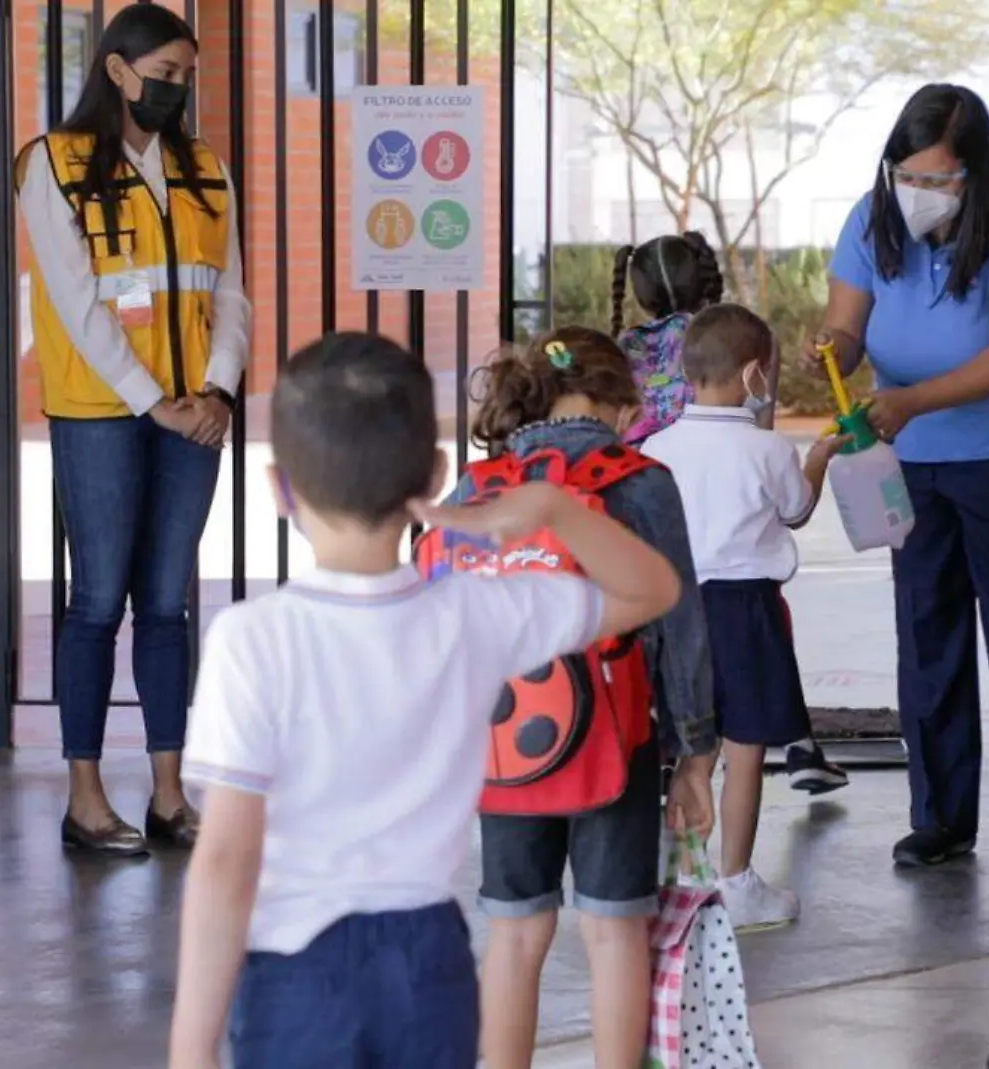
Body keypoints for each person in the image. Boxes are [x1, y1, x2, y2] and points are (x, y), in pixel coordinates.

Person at [165, 333, 687, 1069]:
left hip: (295, 969)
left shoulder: (251, 639)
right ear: (436, 475)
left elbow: (225, 857)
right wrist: (556, 512)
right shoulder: (476, 613)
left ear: (281, 488)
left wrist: (190, 1047)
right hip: (429, 960)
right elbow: (653, 591)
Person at [16, 4, 250, 855]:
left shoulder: (205, 169)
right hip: (104, 412)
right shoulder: (51, 163)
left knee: (166, 605)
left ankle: (167, 792)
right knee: (96, 601)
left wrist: (218, 390)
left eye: (187, 77)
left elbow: (229, 291)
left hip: (194, 413)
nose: (177, 90)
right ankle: (85, 798)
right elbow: (76, 303)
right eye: (165, 73)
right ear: (117, 70)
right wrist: (153, 398)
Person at [454, 327, 718, 1069]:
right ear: (612, 401)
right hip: (614, 735)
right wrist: (695, 754)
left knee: (514, 932)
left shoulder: (478, 485)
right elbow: (681, 623)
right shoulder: (638, 479)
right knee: (612, 932)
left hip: (503, 745)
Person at [809, 83, 989, 869]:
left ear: (976, 173)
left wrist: (911, 399)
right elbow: (847, 326)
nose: (921, 195)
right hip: (904, 464)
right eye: (908, 177)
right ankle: (942, 815)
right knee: (927, 634)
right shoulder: (870, 217)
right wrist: (833, 356)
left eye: (940, 180)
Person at [644, 305, 842, 931]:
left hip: (676, 612)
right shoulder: (767, 448)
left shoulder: (657, 446)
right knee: (745, 750)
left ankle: (685, 876)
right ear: (755, 374)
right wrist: (821, 455)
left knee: (690, 751)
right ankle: (737, 882)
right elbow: (797, 509)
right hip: (743, 611)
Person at [611, 231, 726, 444]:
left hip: (638, 466)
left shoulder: (627, 343)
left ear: (640, 294)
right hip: (702, 456)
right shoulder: (718, 335)